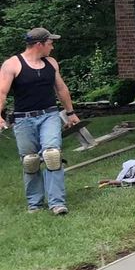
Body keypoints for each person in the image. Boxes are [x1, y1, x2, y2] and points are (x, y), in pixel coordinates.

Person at [0, 28, 81, 215]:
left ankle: (57, 203)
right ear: (39, 44)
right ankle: (35, 204)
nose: (52, 47)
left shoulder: (51, 63)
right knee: (31, 161)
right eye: (50, 43)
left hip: (49, 115)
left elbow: (61, 89)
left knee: (52, 155)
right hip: (23, 119)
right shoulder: (12, 64)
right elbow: (2, 93)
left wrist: (71, 112)